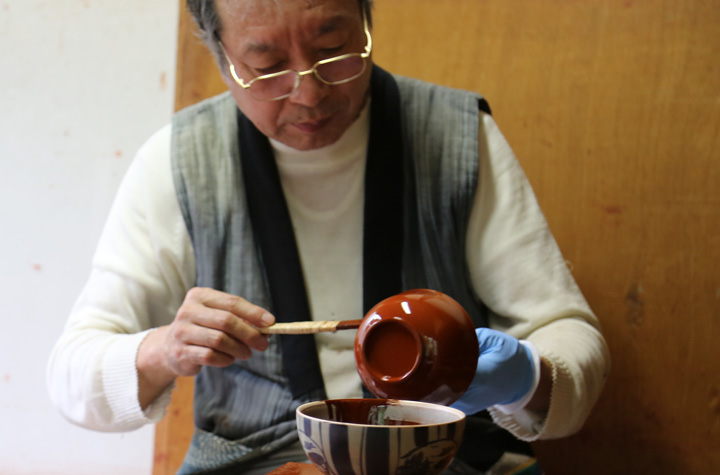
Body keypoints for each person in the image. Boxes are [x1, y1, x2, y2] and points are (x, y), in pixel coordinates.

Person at [47, 0, 610, 473]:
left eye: (332, 48)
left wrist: (527, 376)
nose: (309, 92)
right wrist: (164, 350)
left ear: (367, 21)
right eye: (267, 66)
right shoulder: (177, 162)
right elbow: (73, 375)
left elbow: (567, 332)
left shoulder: (459, 137)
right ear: (222, 60)